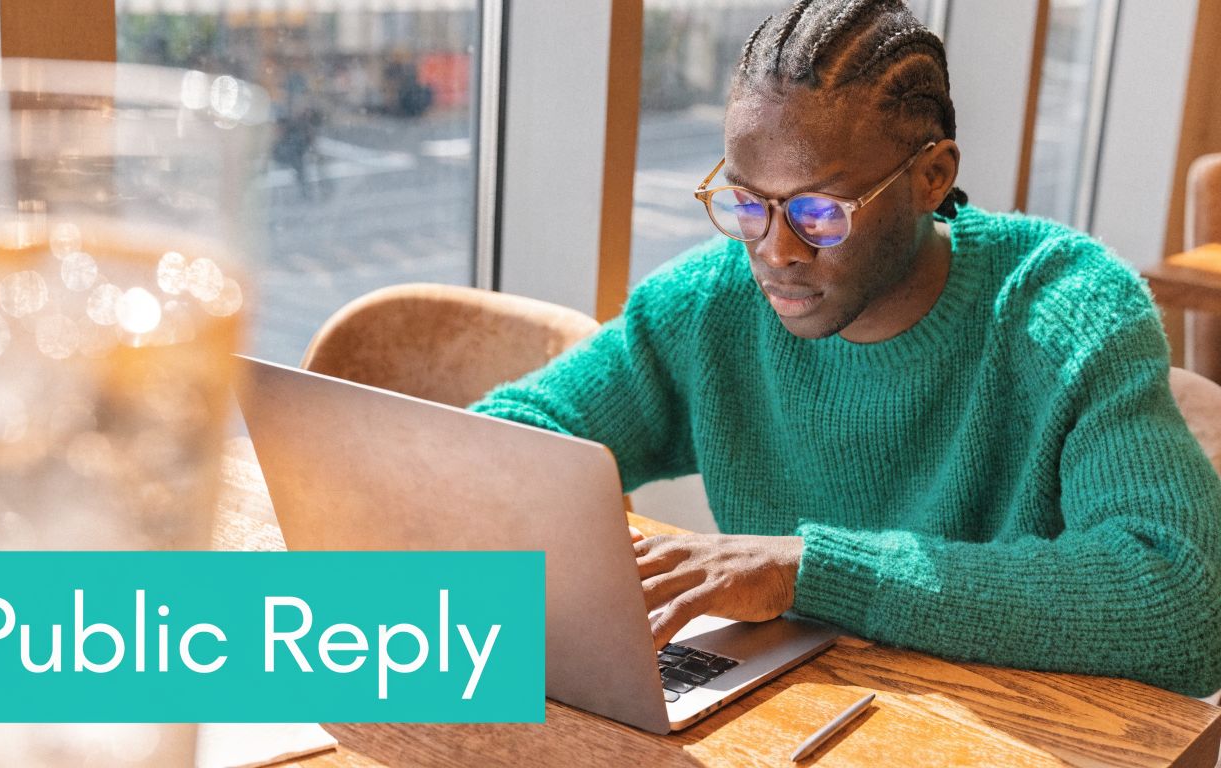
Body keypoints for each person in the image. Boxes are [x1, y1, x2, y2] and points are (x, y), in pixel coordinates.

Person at [468, 0, 1221, 697]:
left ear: (933, 176)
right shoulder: (709, 303)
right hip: (797, 715)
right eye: (745, 203)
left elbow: (1184, 603)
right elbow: (508, 439)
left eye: (820, 211)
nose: (775, 250)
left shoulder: (1068, 309)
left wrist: (810, 573)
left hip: (1007, 728)